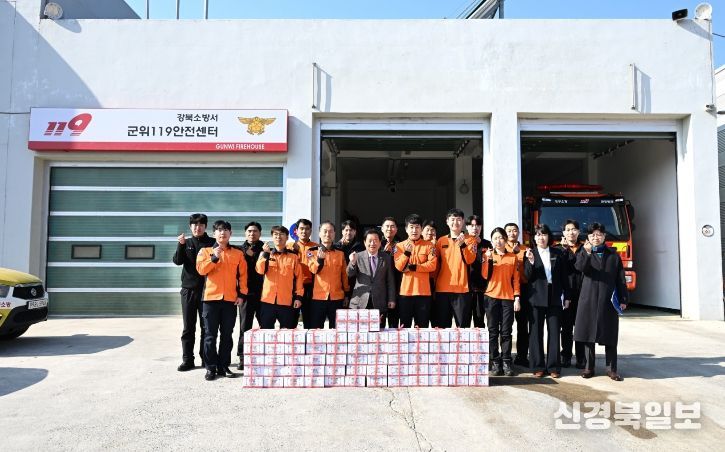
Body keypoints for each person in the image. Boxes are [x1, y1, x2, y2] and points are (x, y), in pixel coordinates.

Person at [574, 223, 629, 381]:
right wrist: (587, 253)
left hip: (608, 299)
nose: (595, 237)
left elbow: (620, 278)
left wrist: (623, 298)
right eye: (592, 235)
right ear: (588, 237)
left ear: (604, 236)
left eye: (599, 234)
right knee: (588, 334)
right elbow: (580, 268)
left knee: (610, 335)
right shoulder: (583, 252)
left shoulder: (613, 255)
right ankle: (589, 367)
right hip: (588, 299)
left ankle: (612, 369)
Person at [196, 220, 248, 381]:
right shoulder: (205, 251)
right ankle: (210, 368)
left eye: (226, 230)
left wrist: (242, 295)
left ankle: (223, 366)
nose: (222, 233)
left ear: (230, 233)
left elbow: (243, 276)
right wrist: (214, 257)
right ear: (214, 234)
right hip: (210, 299)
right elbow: (201, 270)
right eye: (219, 230)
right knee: (210, 336)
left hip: (230, 300)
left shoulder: (238, 253)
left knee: (227, 335)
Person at [524, 224, 571, 378]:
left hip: (554, 295)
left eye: (544, 234)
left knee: (554, 331)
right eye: (538, 235)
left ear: (549, 237)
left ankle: (553, 367)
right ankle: (537, 366)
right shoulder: (530, 253)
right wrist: (531, 262)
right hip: (536, 296)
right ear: (534, 237)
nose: (541, 238)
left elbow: (564, 277)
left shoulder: (558, 253)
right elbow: (527, 276)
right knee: (535, 332)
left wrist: (567, 296)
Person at [172, 213, 215, 372]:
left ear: (205, 226)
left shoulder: (212, 243)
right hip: (188, 291)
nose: (198, 227)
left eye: (201, 225)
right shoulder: (187, 242)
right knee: (188, 328)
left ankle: (206, 359)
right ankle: (188, 360)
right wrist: (181, 245)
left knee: (206, 327)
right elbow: (177, 261)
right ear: (190, 227)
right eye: (195, 225)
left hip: (207, 291)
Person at [482, 227, 521, 377]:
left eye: (500, 238)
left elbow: (516, 279)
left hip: (507, 298)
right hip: (491, 296)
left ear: (505, 239)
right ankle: (495, 361)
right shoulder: (488, 255)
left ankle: (506, 361)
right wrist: (488, 260)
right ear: (491, 241)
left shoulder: (513, 257)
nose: (498, 241)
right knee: (492, 331)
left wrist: (517, 297)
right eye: (495, 238)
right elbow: (484, 275)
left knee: (506, 331)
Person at [433, 209, 477, 328]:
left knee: (462, 327)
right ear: (447, 221)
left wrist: (463, 245)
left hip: (462, 289)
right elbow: (435, 264)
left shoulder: (470, 240)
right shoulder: (441, 241)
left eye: (458, 219)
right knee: (442, 327)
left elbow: (470, 260)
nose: (455, 222)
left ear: (463, 222)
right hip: (442, 289)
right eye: (452, 219)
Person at [394, 214, 438, 328]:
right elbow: (399, 267)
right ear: (406, 229)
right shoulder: (399, 246)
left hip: (423, 293)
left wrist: (413, 267)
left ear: (421, 229)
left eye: (417, 227)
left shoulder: (429, 246)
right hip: (405, 293)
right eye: (411, 227)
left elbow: (432, 265)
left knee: (422, 328)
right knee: (404, 327)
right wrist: (406, 253)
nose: (414, 230)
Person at [347, 229, 396, 329]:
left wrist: (391, 299)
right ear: (365, 242)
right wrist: (352, 262)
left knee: (378, 332)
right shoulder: (357, 256)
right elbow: (349, 274)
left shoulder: (386, 258)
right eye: (370, 240)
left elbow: (390, 280)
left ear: (380, 242)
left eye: (375, 240)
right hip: (360, 301)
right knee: (359, 332)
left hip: (379, 301)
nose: (372, 243)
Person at [258, 225, 304, 329]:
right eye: (275, 234)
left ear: (287, 237)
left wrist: (298, 298)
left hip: (286, 301)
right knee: (266, 332)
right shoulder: (265, 254)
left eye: (282, 234)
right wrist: (265, 254)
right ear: (272, 237)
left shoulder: (293, 257)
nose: (278, 237)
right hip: (267, 300)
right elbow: (260, 271)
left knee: (287, 334)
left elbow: (299, 278)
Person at [307, 222, 349, 328]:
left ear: (334, 234)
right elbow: (313, 270)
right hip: (318, 297)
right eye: (325, 231)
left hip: (337, 297)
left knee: (337, 330)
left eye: (330, 232)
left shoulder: (340, 253)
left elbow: (344, 275)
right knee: (316, 330)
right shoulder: (311, 251)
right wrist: (320, 260)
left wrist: (346, 294)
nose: (327, 234)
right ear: (319, 233)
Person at [235, 221, 264, 371]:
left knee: (265, 326)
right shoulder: (239, 250)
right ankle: (243, 357)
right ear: (245, 233)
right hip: (245, 294)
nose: (252, 234)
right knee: (244, 327)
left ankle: (265, 355)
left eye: (255, 231)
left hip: (263, 294)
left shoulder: (266, 249)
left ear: (260, 233)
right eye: (249, 231)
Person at [557, 219, 586, 369]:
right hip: (566, 294)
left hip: (582, 294)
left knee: (581, 327)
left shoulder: (585, 248)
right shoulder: (558, 249)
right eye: (568, 230)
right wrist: (563, 249)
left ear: (578, 232)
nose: (571, 232)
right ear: (563, 233)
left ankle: (581, 358)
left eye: (574, 229)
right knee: (566, 327)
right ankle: (566, 356)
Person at [505, 222, 531, 368]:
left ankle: (522, 356)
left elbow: (528, 270)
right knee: (506, 325)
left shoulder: (525, 249)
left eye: (514, 230)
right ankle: (505, 356)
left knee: (522, 324)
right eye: (509, 231)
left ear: (519, 233)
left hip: (523, 289)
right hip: (506, 289)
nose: (512, 233)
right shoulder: (501, 248)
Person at [287, 219, 317, 328]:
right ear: (296, 231)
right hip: (293, 287)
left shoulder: (316, 247)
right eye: (301, 228)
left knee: (309, 320)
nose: (304, 231)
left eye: (307, 229)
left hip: (310, 287)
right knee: (291, 320)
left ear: (311, 231)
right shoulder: (289, 246)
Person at [467, 215, 491, 328]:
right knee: (464, 321)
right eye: (472, 225)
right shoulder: (463, 243)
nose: (475, 228)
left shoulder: (487, 244)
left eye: (478, 225)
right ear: (467, 227)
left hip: (481, 288)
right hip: (465, 288)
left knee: (479, 320)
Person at [381, 217, 402, 328]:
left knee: (394, 322)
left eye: (392, 226)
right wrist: (383, 253)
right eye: (387, 226)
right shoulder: (376, 242)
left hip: (396, 285)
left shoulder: (402, 244)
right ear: (382, 229)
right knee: (379, 324)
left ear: (396, 229)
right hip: (380, 286)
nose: (389, 229)